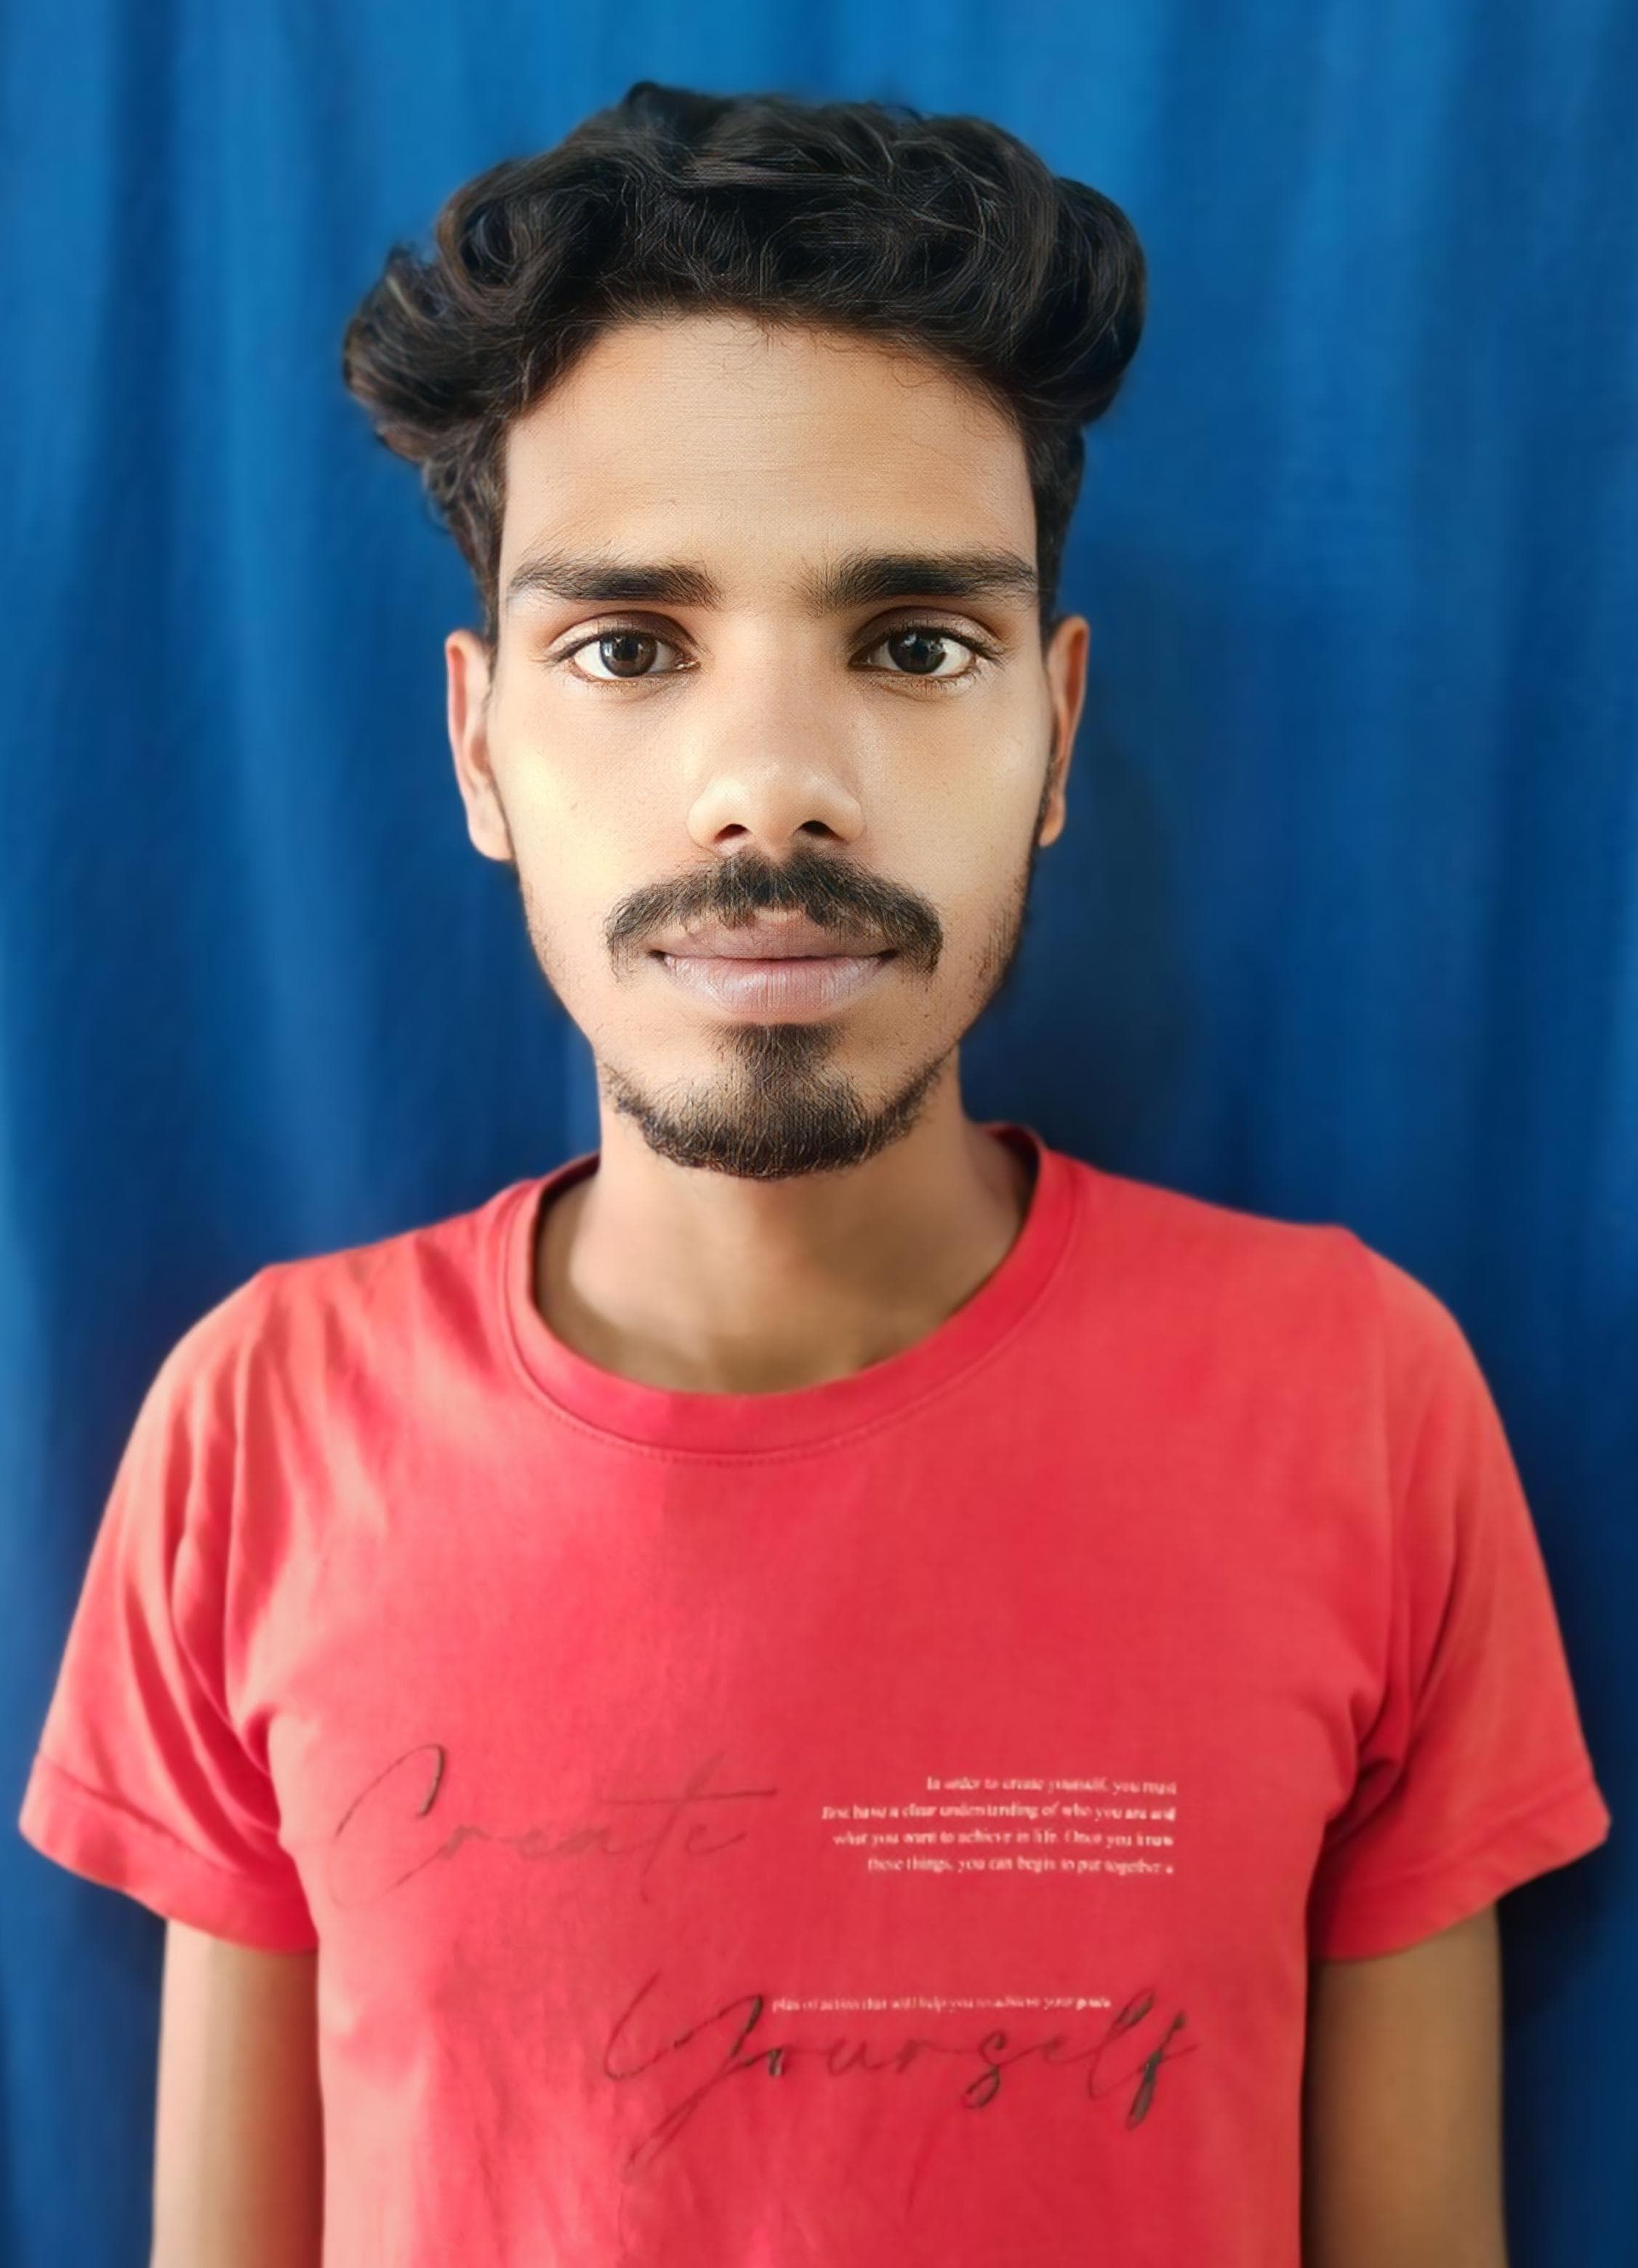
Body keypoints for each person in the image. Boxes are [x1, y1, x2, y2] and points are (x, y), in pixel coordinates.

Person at [18, 79, 1611, 2268]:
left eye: (916, 645)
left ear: (1055, 732)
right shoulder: (260, 1431)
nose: (771, 788)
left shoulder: (1360, 1399)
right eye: (628, 648)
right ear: (478, 745)